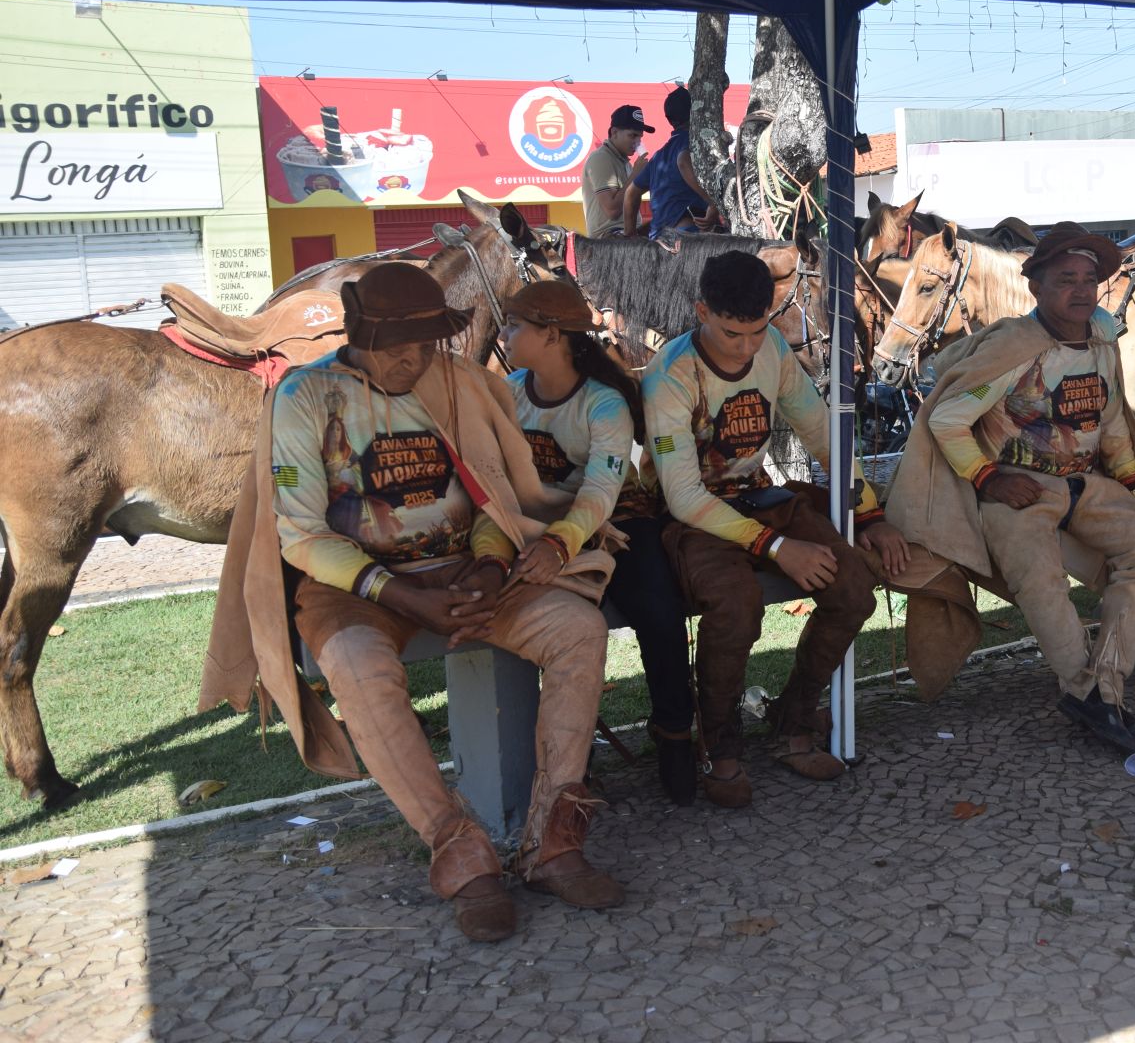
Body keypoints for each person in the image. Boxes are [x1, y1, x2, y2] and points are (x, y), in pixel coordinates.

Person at [204, 263, 622, 942]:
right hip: (356, 586)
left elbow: (491, 494)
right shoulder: (305, 398)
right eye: (400, 346)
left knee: (578, 628)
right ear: (360, 334)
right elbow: (301, 534)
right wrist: (399, 594)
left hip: (464, 569)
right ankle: (460, 852)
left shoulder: (454, 382)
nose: (415, 360)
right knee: (358, 665)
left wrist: (490, 566)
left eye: (427, 344)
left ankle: (553, 841)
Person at [887, 224, 1135, 754]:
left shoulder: (1100, 337)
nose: (1081, 290)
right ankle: (1093, 696)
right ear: (1036, 287)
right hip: (1014, 491)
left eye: (1089, 279)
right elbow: (947, 419)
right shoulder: (1014, 346)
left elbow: (1112, 423)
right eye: (1066, 279)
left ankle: (1101, 690)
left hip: (1085, 484)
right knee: (1041, 579)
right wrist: (990, 478)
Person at [642, 250, 909, 807]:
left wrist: (870, 514)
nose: (746, 348)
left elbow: (822, 435)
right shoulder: (670, 375)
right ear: (701, 311)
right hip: (695, 517)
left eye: (757, 331)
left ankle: (794, 718)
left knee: (853, 586)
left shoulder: (773, 350)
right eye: (731, 334)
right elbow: (683, 496)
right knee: (736, 605)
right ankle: (720, 744)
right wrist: (777, 547)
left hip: (760, 497)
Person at [499, 280, 697, 806]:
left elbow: (601, 492)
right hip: (538, 527)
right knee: (546, 622)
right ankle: (564, 757)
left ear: (551, 335)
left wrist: (559, 545)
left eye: (514, 325)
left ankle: (675, 732)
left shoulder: (603, 403)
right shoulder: (507, 392)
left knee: (657, 608)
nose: (504, 334)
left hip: (617, 519)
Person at [634, 86, 720, 238]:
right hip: (686, 238)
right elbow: (683, 162)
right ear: (696, 112)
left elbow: (630, 194)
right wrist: (713, 203)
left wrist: (629, 234)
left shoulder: (657, 157)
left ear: (669, 119)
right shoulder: (691, 142)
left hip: (657, 240)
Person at [580, 103, 652, 239]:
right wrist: (636, 175)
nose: (637, 142)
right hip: (607, 238)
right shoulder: (601, 158)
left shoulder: (625, 163)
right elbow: (612, 210)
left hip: (626, 234)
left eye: (640, 137)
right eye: (632, 135)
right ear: (614, 133)